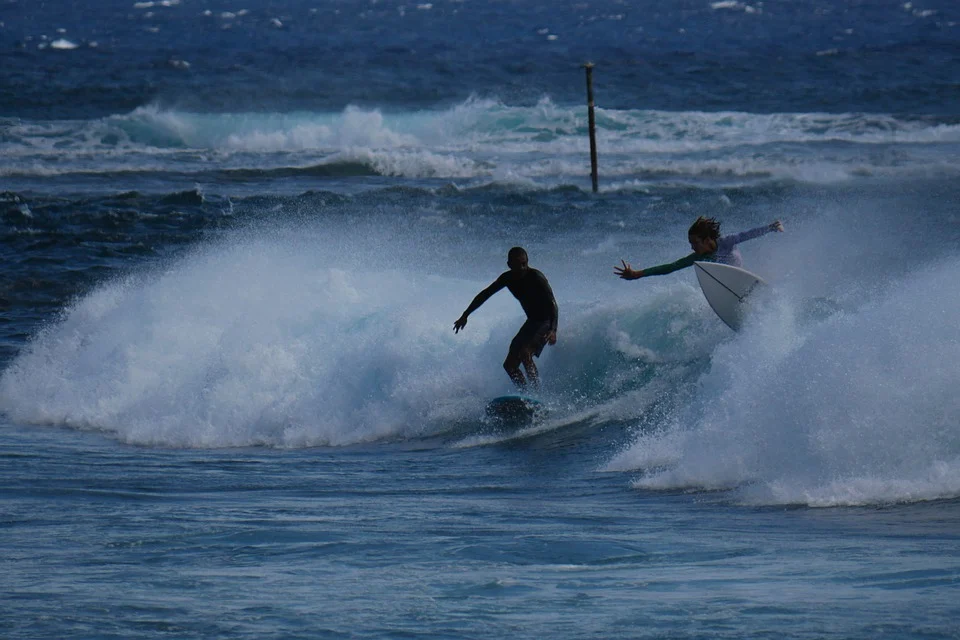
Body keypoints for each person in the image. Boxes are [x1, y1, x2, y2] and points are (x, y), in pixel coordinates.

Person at [454, 247, 558, 390]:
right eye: (517, 265)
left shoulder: (536, 277)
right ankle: (525, 394)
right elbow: (485, 294)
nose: (522, 268)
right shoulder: (507, 278)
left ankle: (537, 393)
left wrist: (553, 330)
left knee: (525, 353)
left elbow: (552, 304)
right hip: (531, 322)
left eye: (524, 264)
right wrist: (465, 315)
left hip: (546, 322)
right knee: (509, 365)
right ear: (509, 265)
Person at [615, 216, 784, 280]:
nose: (692, 247)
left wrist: (770, 227)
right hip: (726, 282)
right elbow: (670, 267)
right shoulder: (698, 257)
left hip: (740, 277)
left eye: (695, 243)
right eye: (691, 243)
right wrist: (639, 274)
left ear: (707, 239)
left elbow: (747, 234)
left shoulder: (726, 242)